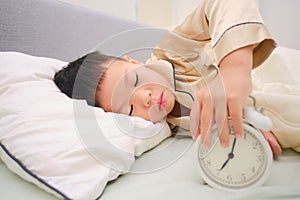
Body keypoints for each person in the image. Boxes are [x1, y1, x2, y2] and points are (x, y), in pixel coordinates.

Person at [54, 0, 300, 155]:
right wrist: (249, 135)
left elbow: (226, 3)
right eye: (128, 108)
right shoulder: (167, 126)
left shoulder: (174, 53)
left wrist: (233, 68)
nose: (145, 98)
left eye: (134, 81)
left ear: (133, 61)